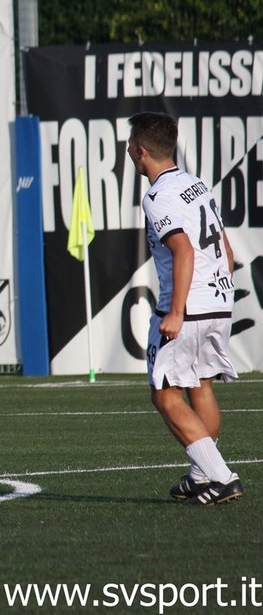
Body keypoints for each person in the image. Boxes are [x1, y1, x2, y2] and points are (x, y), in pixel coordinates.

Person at [127, 111, 243, 505]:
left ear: (141, 151)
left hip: (188, 304)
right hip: (218, 297)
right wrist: (219, 289)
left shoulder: (158, 195)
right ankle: (200, 477)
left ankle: (222, 477)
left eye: (130, 145)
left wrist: (175, 311)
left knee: (165, 394)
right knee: (200, 384)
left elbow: (183, 249)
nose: (129, 151)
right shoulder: (196, 184)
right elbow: (225, 247)